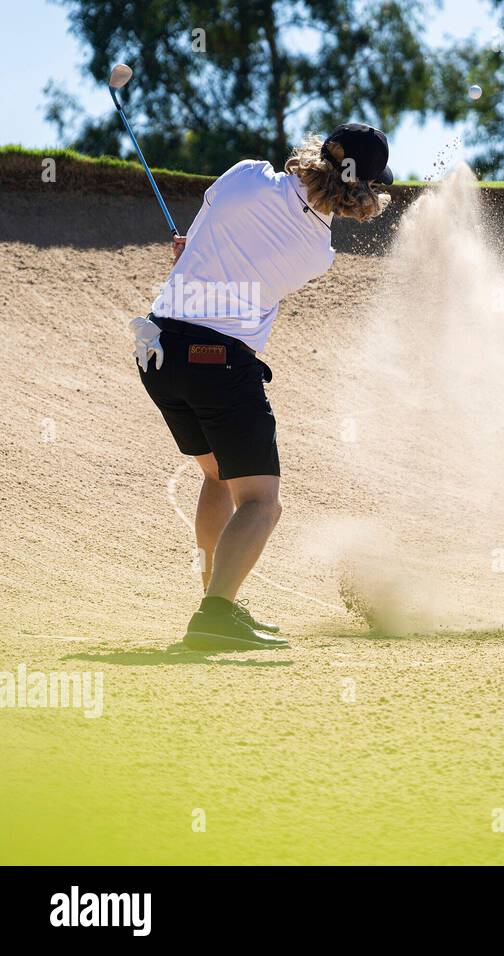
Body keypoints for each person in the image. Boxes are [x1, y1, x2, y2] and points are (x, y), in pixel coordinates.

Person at [132, 124, 393, 651]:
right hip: (218, 365)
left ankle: (215, 598)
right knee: (261, 502)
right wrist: (202, 254)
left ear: (319, 151)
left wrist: (194, 253)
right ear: (363, 192)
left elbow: (208, 231)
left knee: (218, 479)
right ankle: (216, 614)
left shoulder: (248, 176)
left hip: (159, 355)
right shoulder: (318, 253)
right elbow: (248, 268)